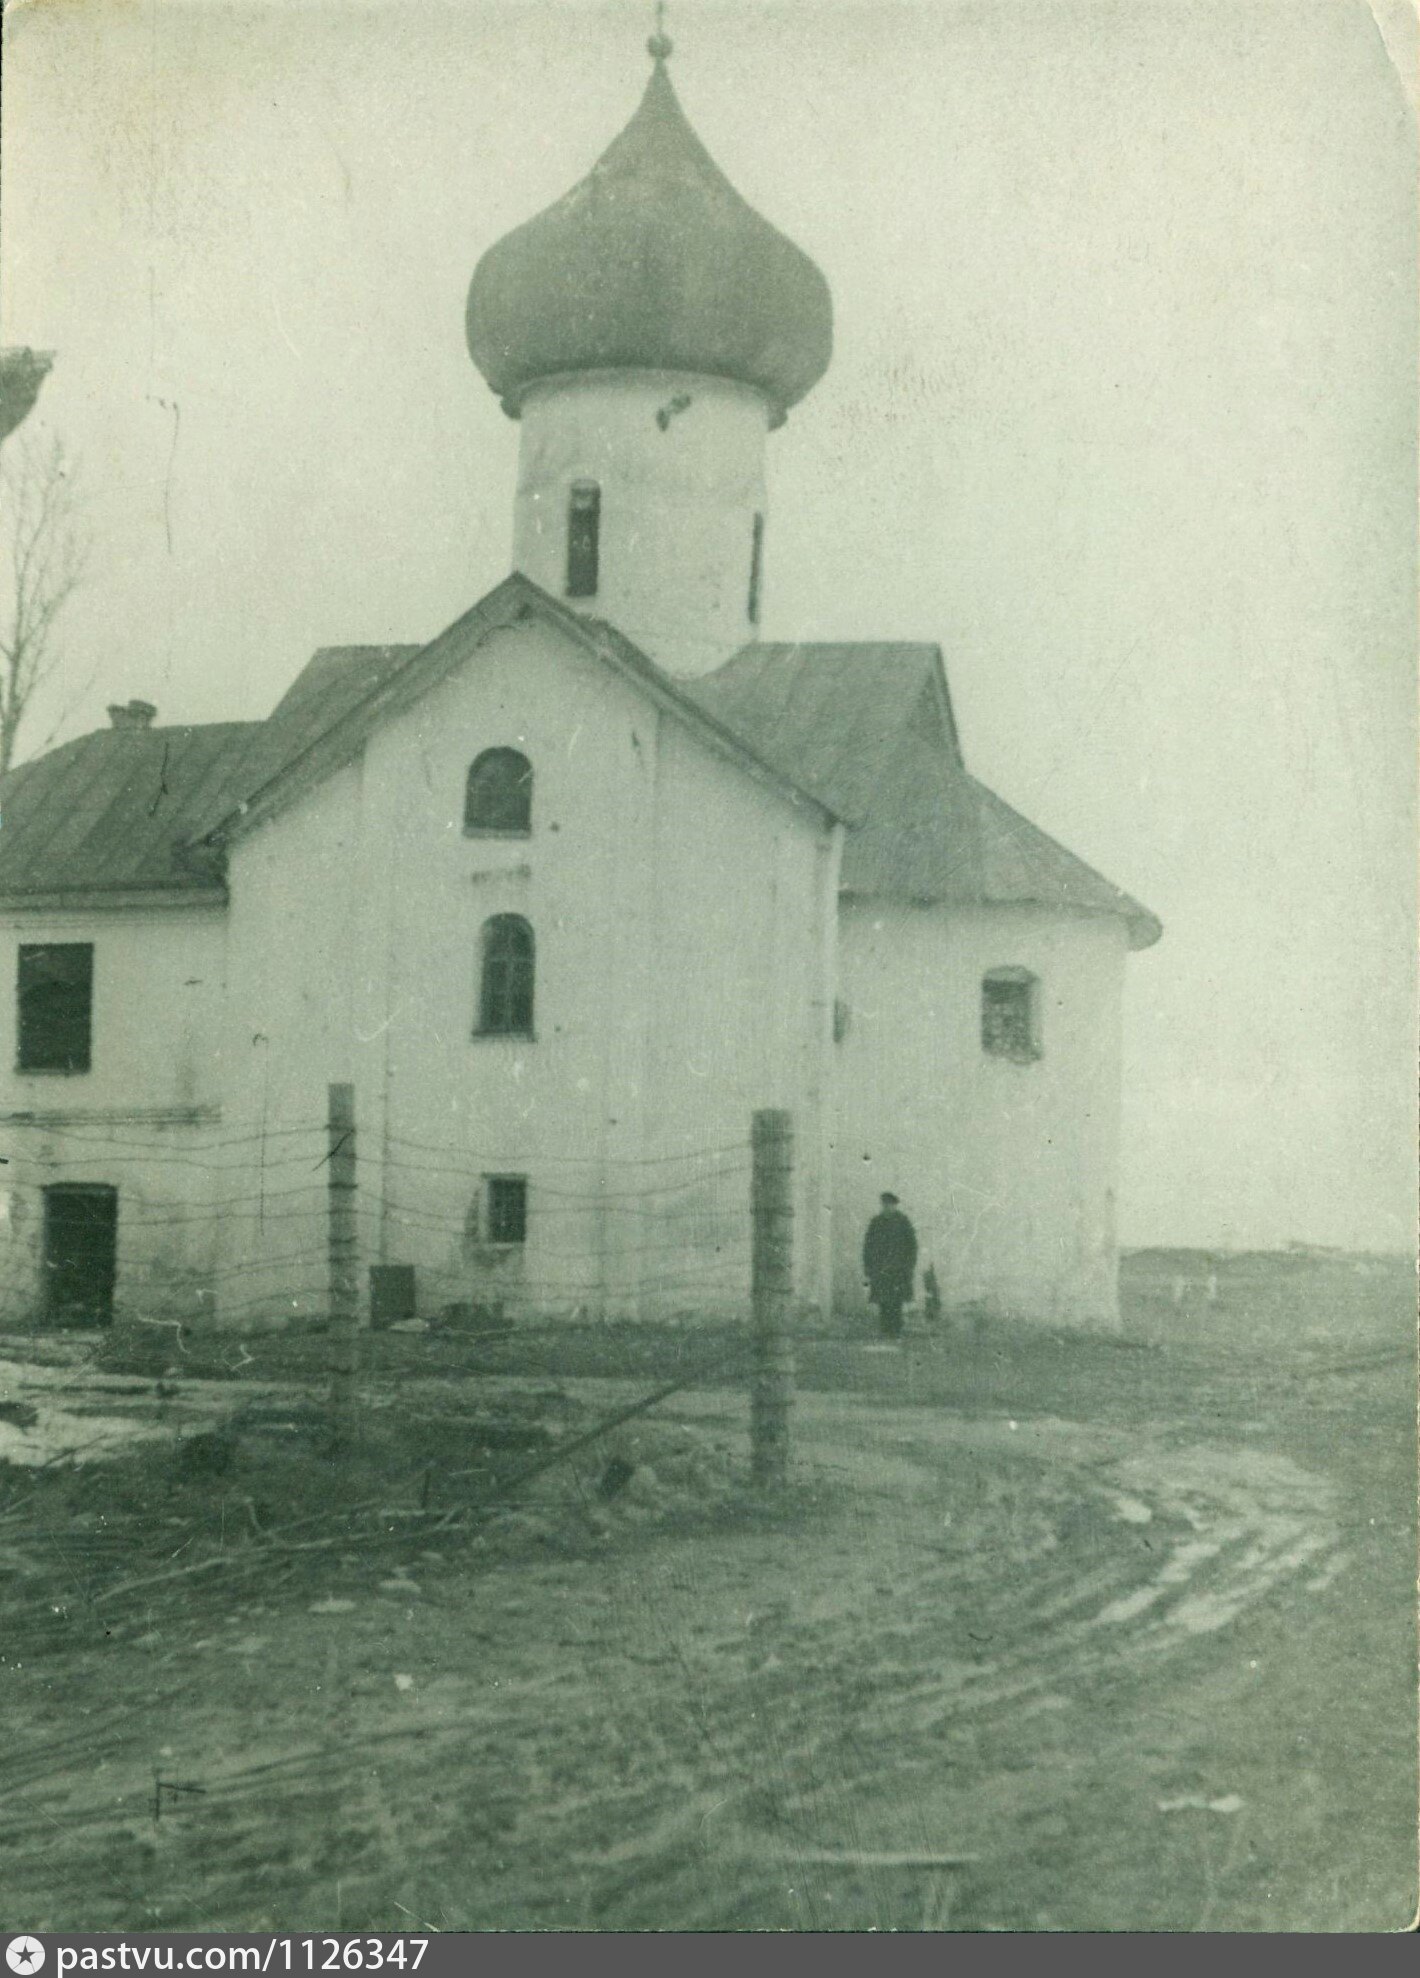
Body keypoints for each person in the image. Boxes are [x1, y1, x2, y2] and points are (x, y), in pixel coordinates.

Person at [863, 1192, 918, 1341]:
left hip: (899, 1270)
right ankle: (885, 1329)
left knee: (897, 1301)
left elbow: (912, 1246)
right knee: (883, 1300)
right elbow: (868, 1246)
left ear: (895, 1206)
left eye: (890, 1205)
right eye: (885, 1205)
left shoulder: (903, 1222)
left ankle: (896, 1330)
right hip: (881, 1269)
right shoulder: (876, 1222)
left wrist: (909, 1265)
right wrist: (868, 1267)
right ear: (882, 1206)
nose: (887, 1208)